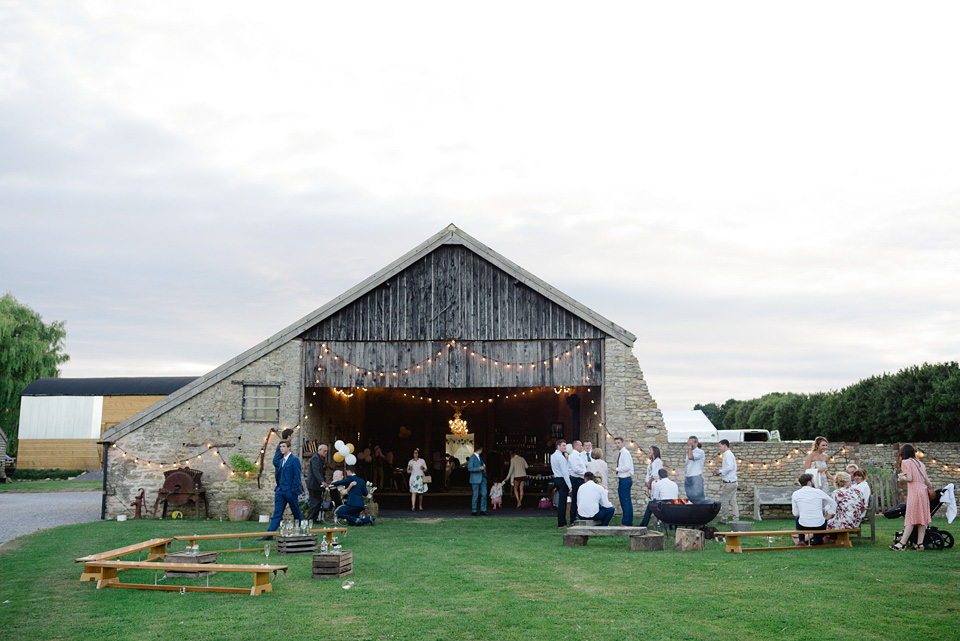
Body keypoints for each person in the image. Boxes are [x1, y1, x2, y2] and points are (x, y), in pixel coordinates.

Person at [891, 443, 933, 551]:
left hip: (915, 492)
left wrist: (901, 477)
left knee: (911, 517)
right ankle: (920, 544)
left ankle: (902, 544)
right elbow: (928, 481)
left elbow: (909, 478)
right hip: (923, 491)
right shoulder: (920, 463)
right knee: (922, 519)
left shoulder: (905, 462)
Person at [264, 439, 304, 538]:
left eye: (284, 446)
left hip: (290, 491)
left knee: (296, 512)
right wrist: (278, 487)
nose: (282, 448)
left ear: (289, 448)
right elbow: (279, 475)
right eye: (280, 447)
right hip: (280, 491)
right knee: (277, 513)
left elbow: (296, 476)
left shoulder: (294, 460)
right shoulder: (280, 461)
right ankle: (269, 534)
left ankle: (303, 530)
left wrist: (293, 490)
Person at [792, 473, 836, 545]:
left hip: (803, 525)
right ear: (809, 482)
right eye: (813, 480)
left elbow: (795, 513)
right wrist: (829, 515)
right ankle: (817, 539)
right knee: (820, 520)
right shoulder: (818, 492)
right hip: (819, 525)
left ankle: (801, 540)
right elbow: (833, 503)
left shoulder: (796, 494)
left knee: (798, 517)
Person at [715, 439, 739, 524]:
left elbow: (729, 467)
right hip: (733, 482)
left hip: (728, 483)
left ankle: (724, 519)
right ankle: (736, 519)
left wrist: (720, 471)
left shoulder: (728, 455)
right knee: (733, 502)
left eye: (720, 446)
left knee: (725, 501)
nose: (719, 448)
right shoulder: (730, 454)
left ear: (725, 445)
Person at [612, 437, 634, 526]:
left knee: (625, 501)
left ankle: (626, 522)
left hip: (625, 479)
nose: (617, 445)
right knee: (627, 501)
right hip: (625, 479)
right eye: (616, 443)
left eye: (618, 443)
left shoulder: (625, 453)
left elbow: (627, 467)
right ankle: (628, 522)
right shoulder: (623, 453)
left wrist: (616, 469)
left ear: (623, 443)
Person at [551, 439, 572, 528]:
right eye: (563, 445)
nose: (565, 447)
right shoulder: (560, 457)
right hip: (562, 479)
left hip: (556, 478)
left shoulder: (553, 456)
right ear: (558, 446)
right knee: (562, 502)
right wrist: (569, 485)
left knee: (561, 501)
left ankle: (562, 522)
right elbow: (565, 472)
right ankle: (562, 523)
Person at [307, 443, 329, 522]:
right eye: (324, 451)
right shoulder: (315, 458)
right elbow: (315, 471)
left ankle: (314, 518)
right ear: (319, 450)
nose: (325, 453)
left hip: (317, 485)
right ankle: (311, 519)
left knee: (318, 501)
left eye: (326, 451)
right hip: (314, 484)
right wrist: (322, 481)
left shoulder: (319, 458)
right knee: (315, 502)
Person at [567, 440, 587, 525]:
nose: (581, 447)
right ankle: (573, 519)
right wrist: (585, 473)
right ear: (575, 446)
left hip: (579, 478)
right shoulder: (573, 456)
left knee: (580, 498)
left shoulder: (578, 455)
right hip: (576, 479)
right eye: (580, 445)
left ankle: (579, 516)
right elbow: (576, 469)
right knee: (575, 498)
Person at [684, 436, 706, 503]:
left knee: (698, 498)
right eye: (688, 442)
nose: (689, 444)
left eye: (691, 442)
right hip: (688, 477)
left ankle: (701, 512)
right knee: (690, 497)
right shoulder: (689, 452)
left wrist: (689, 447)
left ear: (696, 443)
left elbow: (691, 457)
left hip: (696, 477)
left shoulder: (700, 452)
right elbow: (688, 463)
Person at [406, 447, 428, 512]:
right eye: (414, 453)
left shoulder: (422, 460)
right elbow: (408, 472)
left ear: (418, 454)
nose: (415, 454)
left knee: (420, 493)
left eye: (416, 453)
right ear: (413, 454)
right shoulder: (410, 461)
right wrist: (409, 468)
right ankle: (413, 507)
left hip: (420, 477)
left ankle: (420, 506)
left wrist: (423, 467)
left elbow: (426, 469)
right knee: (413, 492)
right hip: (413, 478)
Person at [468, 445, 488, 516]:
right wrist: (479, 468)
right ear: (479, 450)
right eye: (481, 450)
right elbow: (470, 468)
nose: (482, 451)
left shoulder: (480, 458)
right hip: (475, 479)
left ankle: (483, 510)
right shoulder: (472, 458)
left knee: (484, 494)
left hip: (482, 478)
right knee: (475, 495)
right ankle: (474, 510)